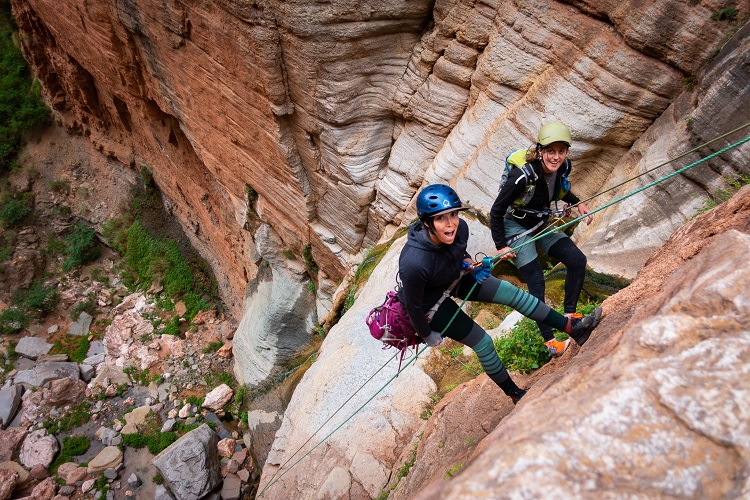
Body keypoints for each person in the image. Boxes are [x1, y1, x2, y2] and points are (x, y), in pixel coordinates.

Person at [398, 184, 601, 405]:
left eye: (453, 214)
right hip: (430, 303)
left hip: (452, 277)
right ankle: (515, 395)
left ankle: (573, 329)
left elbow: (457, 252)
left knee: (511, 292)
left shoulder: (460, 229)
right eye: (440, 218)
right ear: (427, 223)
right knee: (483, 342)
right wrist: (427, 334)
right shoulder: (414, 262)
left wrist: (469, 264)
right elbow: (413, 306)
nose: (450, 223)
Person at [490, 121, 593, 358]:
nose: (555, 157)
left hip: (539, 224)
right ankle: (550, 342)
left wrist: (578, 203)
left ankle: (570, 317)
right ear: (540, 150)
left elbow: (561, 189)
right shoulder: (522, 175)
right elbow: (496, 210)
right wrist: (501, 246)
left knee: (576, 260)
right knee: (536, 282)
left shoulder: (563, 166)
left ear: (566, 152)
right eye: (550, 151)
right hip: (513, 227)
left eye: (561, 151)